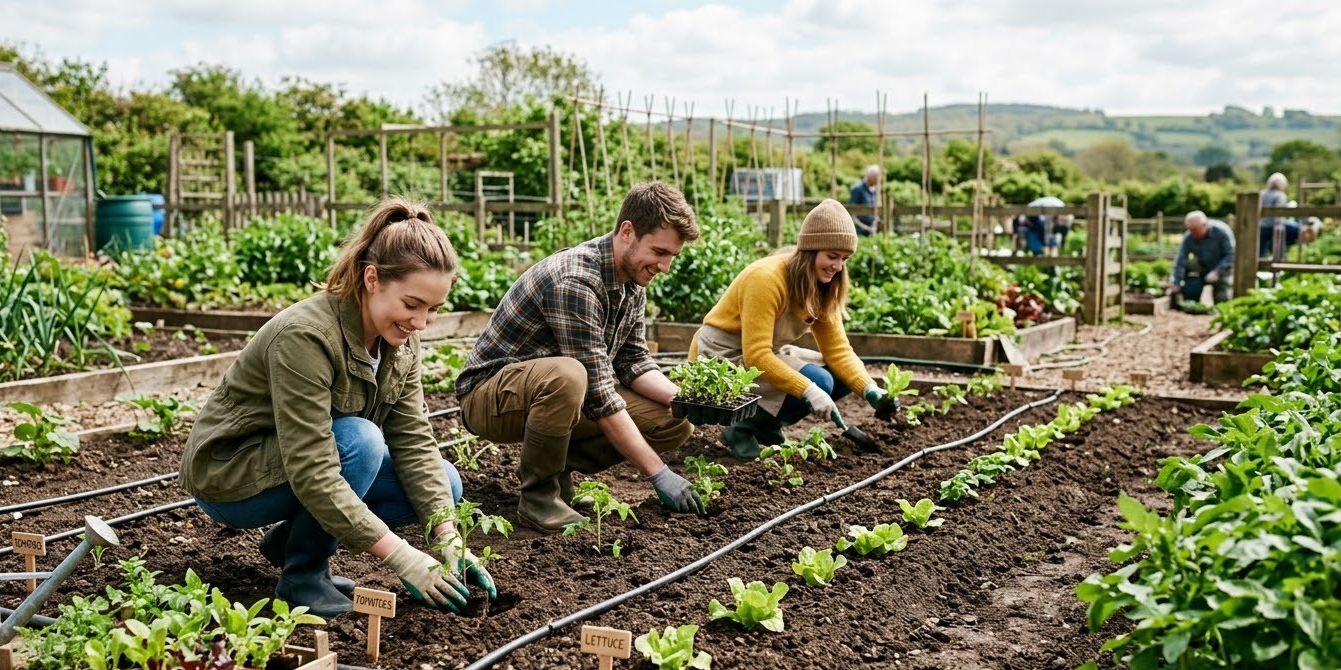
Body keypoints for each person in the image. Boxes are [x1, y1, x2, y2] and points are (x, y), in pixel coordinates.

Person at [180, 198, 492, 618]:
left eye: (433, 310)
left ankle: (290, 541)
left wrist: (447, 538)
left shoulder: (400, 342)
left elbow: (414, 440)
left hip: (300, 466)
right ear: (371, 278)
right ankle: (302, 577)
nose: (420, 322)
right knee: (360, 441)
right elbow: (312, 466)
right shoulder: (305, 336)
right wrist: (401, 556)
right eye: (412, 304)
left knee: (446, 484)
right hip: (232, 475)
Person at [455, 181, 704, 531]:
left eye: (671, 257)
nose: (664, 266)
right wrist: (658, 473)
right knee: (570, 376)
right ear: (627, 232)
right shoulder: (576, 280)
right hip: (489, 398)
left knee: (674, 419)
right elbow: (600, 395)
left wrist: (687, 399)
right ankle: (538, 497)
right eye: (659, 252)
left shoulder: (631, 280)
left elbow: (633, 362)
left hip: (553, 394)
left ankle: (556, 474)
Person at [691, 199, 897, 460]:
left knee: (841, 375)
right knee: (819, 381)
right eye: (831, 256)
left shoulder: (823, 286)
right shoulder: (767, 279)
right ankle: (741, 428)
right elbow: (756, 355)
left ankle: (767, 425)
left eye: (844, 259)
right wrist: (809, 389)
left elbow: (839, 351)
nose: (838, 266)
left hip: (762, 354)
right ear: (810, 250)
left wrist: (870, 390)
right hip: (723, 355)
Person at [1168, 210, 1235, 304]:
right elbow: (1181, 259)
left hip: (1222, 267)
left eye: (1195, 230)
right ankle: (1190, 301)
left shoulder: (1221, 231)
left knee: (1222, 299)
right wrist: (1176, 282)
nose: (1192, 233)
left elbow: (1230, 254)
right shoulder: (1189, 236)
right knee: (1191, 288)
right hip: (1202, 265)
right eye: (1190, 230)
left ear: (1205, 225)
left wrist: (1217, 271)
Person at [1259, 172, 1290, 259]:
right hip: (1275, 226)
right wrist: (1279, 225)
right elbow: (1279, 212)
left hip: (1262, 226)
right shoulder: (1280, 195)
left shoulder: (1262, 194)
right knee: (1278, 251)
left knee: (1260, 251)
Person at [848, 164, 880, 235]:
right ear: (871, 177)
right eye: (877, 178)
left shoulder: (873, 191)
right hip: (860, 230)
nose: (878, 181)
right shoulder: (857, 190)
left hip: (872, 229)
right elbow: (851, 212)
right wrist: (864, 227)